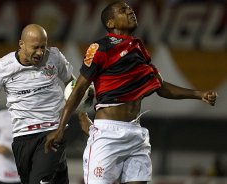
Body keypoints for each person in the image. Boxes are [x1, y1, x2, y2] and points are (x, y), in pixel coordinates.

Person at [44, 1, 218, 184]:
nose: (130, 11)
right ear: (110, 23)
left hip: (136, 134)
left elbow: (160, 86)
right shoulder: (100, 47)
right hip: (107, 135)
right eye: (123, 10)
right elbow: (79, 88)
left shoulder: (139, 49)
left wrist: (199, 94)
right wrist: (60, 128)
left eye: (130, 9)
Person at [0, 24, 74, 184]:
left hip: (52, 131)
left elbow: (73, 86)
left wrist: (81, 115)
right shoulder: (2, 67)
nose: (40, 52)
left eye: (43, 46)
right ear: (21, 44)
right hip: (22, 138)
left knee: (40, 181)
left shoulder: (54, 57)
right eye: (35, 47)